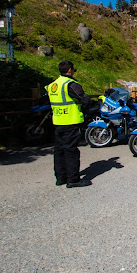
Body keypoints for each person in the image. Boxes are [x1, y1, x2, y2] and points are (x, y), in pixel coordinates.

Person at [46, 60, 92, 188]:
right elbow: (84, 99)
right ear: (70, 70)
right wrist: (86, 108)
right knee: (71, 151)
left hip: (58, 121)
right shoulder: (70, 84)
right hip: (71, 121)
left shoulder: (53, 85)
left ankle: (61, 177)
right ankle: (73, 179)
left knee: (59, 150)